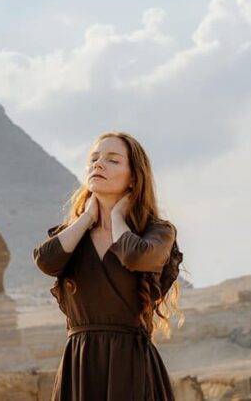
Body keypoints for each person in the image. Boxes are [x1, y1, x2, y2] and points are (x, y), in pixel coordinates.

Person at [33, 131, 184, 400]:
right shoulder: (73, 237)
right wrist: (87, 217)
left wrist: (116, 217)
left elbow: (136, 257)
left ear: (134, 178)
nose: (98, 164)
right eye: (94, 158)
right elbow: (45, 261)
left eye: (112, 160)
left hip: (131, 367)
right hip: (79, 366)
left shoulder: (157, 233)